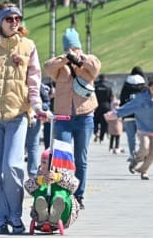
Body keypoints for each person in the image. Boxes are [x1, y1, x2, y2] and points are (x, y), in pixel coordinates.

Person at [0, 4, 50, 234]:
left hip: (17, 115)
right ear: (0, 22)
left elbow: (34, 80)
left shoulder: (28, 46)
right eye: (9, 19)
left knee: (13, 166)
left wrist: (37, 106)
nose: (14, 22)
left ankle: (15, 217)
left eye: (17, 18)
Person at [44, 27, 101, 210]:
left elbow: (96, 68)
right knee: (62, 158)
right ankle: (63, 191)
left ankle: (79, 194)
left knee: (81, 158)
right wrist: (65, 58)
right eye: (70, 47)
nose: (72, 50)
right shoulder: (61, 66)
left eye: (75, 46)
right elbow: (48, 67)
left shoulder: (88, 61)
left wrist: (81, 58)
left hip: (85, 116)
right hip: (63, 118)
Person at [105, 77, 153, 180]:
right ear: (149, 87)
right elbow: (128, 107)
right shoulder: (141, 98)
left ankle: (144, 171)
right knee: (145, 148)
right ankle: (135, 160)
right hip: (144, 129)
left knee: (151, 154)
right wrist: (115, 113)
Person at [24, 148, 80, 228]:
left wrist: (59, 178)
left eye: (50, 164)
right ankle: (42, 213)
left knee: (61, 192)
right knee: (40, 191)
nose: (46, 166)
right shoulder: (40, 174)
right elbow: (27, 186)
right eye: (43, 162)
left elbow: (75, 184)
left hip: (63, 214)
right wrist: (39, 181)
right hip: (43, 210)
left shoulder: (63, 173)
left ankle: (56, 213)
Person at [119, 66, 147, 160]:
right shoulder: (144, 85)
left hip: (128, 115)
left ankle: (132, 154)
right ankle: (142, 154)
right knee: (142, 136)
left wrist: (121, 114)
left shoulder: (126, 85)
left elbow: (122, 100)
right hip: (141, 115)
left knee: (131, 137)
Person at [93, 74, 113, 143]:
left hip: (97, 105)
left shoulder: (95, 86)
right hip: (106, 106)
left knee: (95, 120)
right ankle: (101, 138)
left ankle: (96, 132)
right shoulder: (108, 86)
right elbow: (110, 97)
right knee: (104, 122)